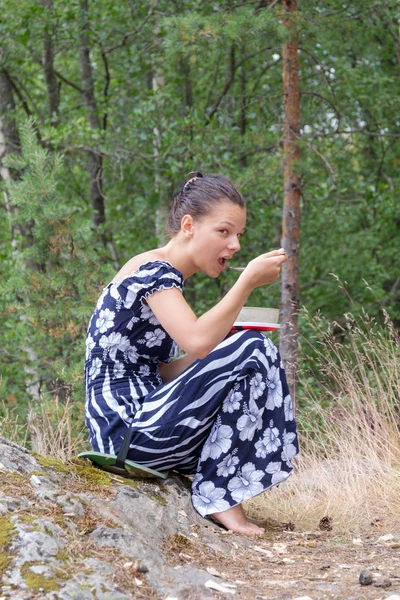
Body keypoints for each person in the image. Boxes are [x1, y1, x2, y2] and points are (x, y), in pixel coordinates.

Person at [84, 172, 298, 535]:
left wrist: (224, 345)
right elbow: (197, 341)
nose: (235, 246)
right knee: (254, 347)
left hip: (143, 425)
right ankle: (221, 497)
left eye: (239, 236)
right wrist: (245, 283)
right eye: (224, 232)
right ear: (188, 226)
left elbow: (167, 373)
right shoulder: (152, 272)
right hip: (127, 432)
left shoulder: (164, 278)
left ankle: (220, 492)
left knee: (244, 346)